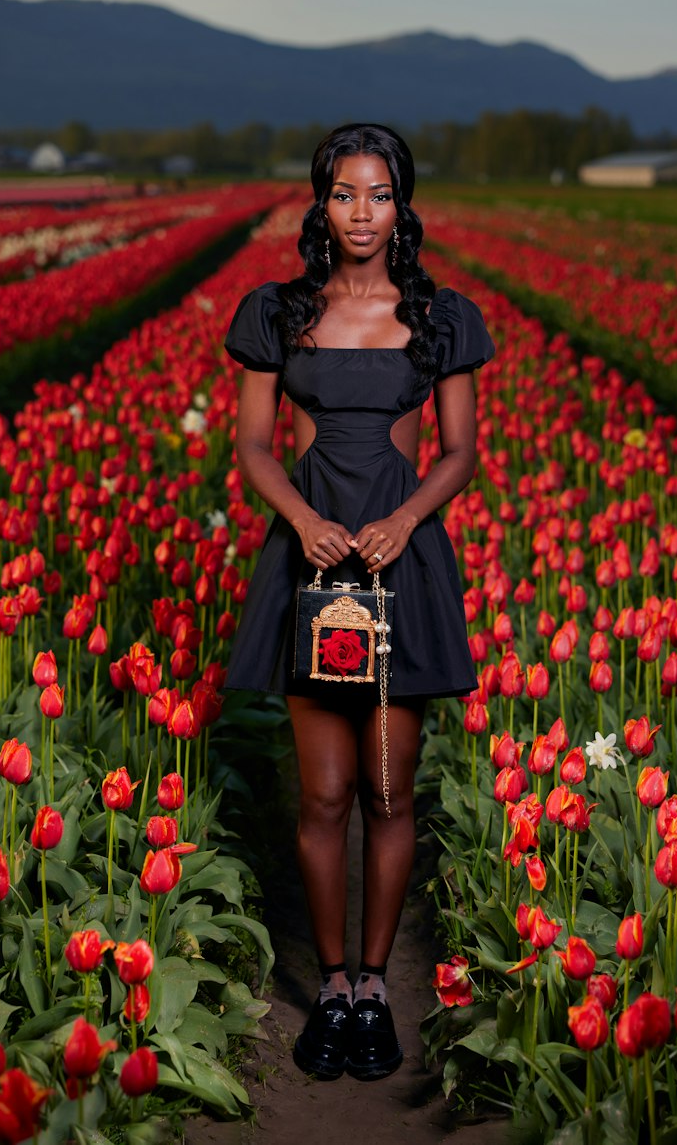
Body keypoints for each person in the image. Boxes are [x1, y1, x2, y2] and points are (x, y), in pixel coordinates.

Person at [223, 123, 494, 1081]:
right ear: (321, 202)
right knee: (323, 793)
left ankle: (376, 991)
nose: (363, 213)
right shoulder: (278, 310)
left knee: (385, 788)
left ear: (402, 205)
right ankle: (331, 988)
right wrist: (298, 521)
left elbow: (461, 452)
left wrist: (408, 519)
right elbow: (255, 445)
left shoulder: (441, 316)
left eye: (380, 195)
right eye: (346, 194)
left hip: (397, 570)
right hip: (314, 567)